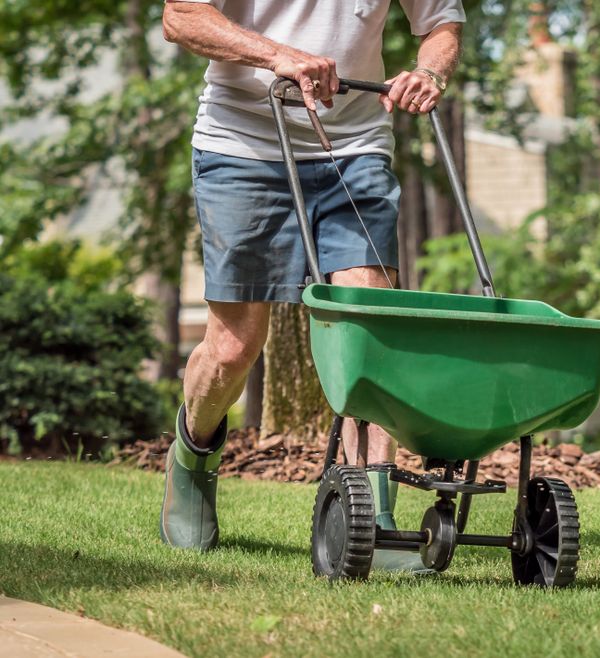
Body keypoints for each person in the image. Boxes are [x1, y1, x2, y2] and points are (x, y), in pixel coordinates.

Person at [158, 0, 464, 556]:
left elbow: (441, 22)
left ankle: (372, 513)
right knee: (233, 348)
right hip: (242, 147)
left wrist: (428, 71)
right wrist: (279, 55)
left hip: (355, 147)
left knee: (369, 335)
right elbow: (181, 17)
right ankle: (193, 459)